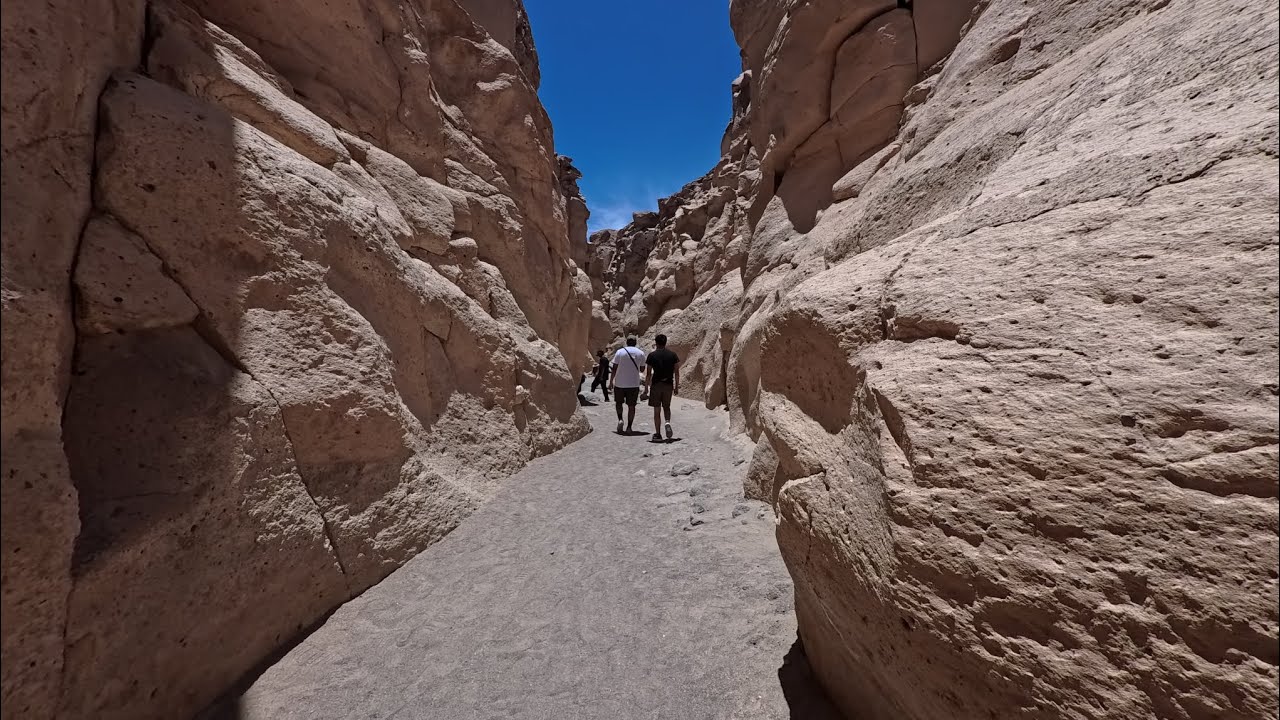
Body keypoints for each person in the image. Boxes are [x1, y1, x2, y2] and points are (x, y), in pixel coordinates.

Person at [643, 333, 680, 441]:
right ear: (665, 342)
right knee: (667, 406)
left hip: (656, 385)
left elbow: (648, 374)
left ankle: (658, 434)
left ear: (656, 343)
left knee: (657, 410)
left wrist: (646, 388)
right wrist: (676, 386)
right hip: (668, 384)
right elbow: (677, 372)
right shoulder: (673, 355)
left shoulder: (652, 355)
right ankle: (667, 422)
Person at [609, 337, 646, 434]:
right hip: (633, 383)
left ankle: (620, 419)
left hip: (620, 383)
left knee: (618, 403)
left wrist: (610, 381)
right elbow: (642, 369)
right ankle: (629, 427)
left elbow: (614, 368)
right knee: (632, 406)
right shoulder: (640, 353)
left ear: (627, 342)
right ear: (635, 343)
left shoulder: (620, 352)